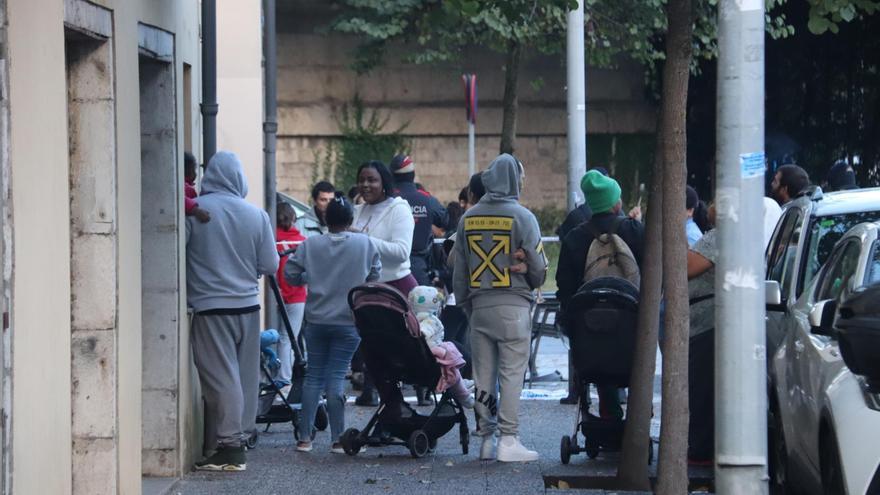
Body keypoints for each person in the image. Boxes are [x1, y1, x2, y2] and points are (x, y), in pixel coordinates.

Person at [186, 151, 279, 472]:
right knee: (245, 377)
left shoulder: (196, 211)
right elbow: (270, 265)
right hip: (249, 306)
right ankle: (238, 436)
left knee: (221, 378)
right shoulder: (256, 215)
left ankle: (230, 448)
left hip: (210, 307)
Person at [453, 154, 548, 462]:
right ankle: (509, 439)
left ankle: (486, 439)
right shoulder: (523, 217)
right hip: (513, 307)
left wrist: (467, 305)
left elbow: (458, 270)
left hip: (479, 307)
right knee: (511, 374)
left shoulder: (468, 218)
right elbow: (539, 269)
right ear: (513, 180)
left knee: (483, 376)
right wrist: (531, 273)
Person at [286, 194, 381, 454]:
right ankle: (338, 439)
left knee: (313, 377)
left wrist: (310, 277)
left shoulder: (310, 244)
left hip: (316, 319)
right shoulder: (365, 243)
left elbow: (290, 274)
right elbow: (375, 275)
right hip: (348, 320)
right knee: (336, 377)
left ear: (326, 219)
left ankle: (304, 438)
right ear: (350, 220)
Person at [556, 170, 644, 421]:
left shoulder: (575, 238)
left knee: (599, 352)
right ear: (616, 203)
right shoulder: (635, 231)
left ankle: (608, 413)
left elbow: (564, 287)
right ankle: (637, 413)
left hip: (589, 328)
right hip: (632, 325)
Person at [351, 160, 416, 407]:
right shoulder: (357, 210)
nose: (366, 185)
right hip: (367, 291)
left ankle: (400, 404)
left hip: (396, 288)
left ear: (384, 182)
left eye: (372, 180)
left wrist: (363, 240)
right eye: (362, 180)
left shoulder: (399, 209)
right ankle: (377, 397)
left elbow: (401, 252)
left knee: (398, 353)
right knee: (372, 350)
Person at [685, 203, 718, 464]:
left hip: (708, 324)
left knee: (702, 388)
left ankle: (701, 449)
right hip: (704, 322)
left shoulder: (719, 237)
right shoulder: (717, 236)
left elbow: (685, 267)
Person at [408, 286, 474, 408]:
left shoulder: (409, 319)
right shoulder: (431, 320)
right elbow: (424, 331)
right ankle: (463, 394)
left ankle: (461, 384)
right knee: (451, 358)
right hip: (431, 357)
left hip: (413, 358)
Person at [390, 154, 448, 286]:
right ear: (413, 175)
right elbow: (444, 220)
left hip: (390, 271)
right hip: (419, 270)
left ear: (392, 176)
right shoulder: (427, 199)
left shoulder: (387, 200)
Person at [275, 202, 307, 393]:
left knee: (279, 336)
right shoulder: (302, 242)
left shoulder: (272, 239)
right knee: (289, 337)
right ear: (293, 218)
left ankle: (280, 376)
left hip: (275, 293)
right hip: (297, 295)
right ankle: (285, 379)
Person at [184, 152, 211, 223]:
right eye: (193, 170)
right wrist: (196, 210)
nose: (195, 174)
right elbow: (180, 199)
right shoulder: (185, 188)